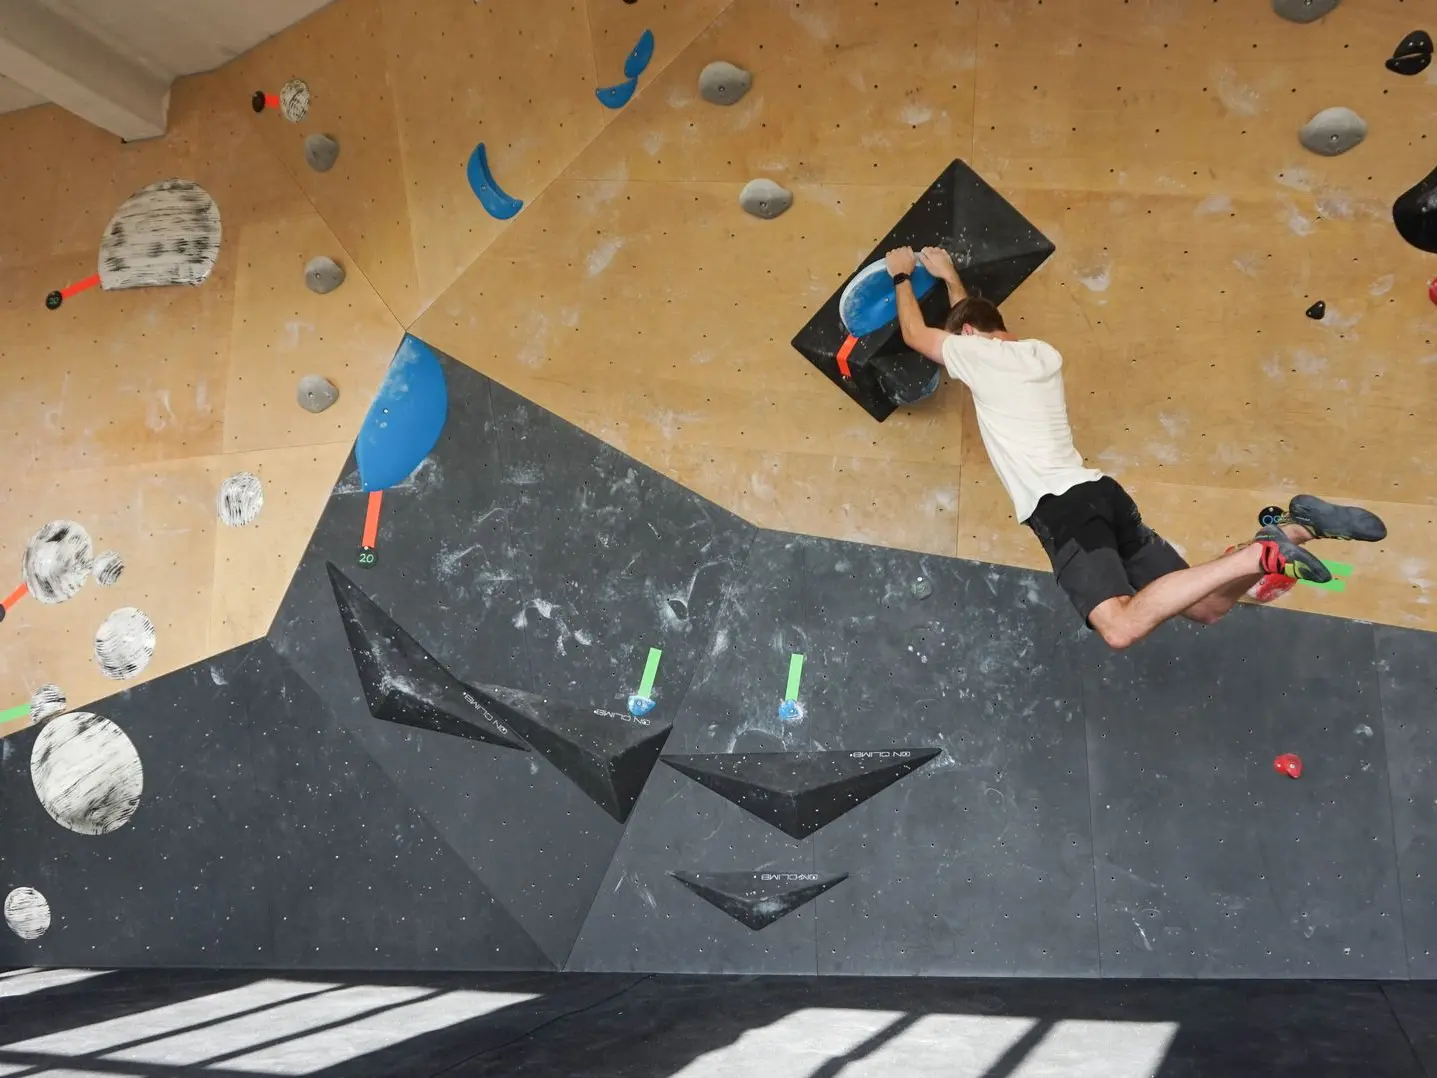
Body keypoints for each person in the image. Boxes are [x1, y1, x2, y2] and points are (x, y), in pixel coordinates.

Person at [882, 244, 1388, 650]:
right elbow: (973, 327)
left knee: (1120, 628)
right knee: (1206, 607)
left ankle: (1263, 552)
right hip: (1100, 495)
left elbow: (914, 334)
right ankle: (1298, 527)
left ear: (970, 336)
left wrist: (901, 274)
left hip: (1063, 507)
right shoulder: (1039, 355)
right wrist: (950, 277)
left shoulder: (980, 355)